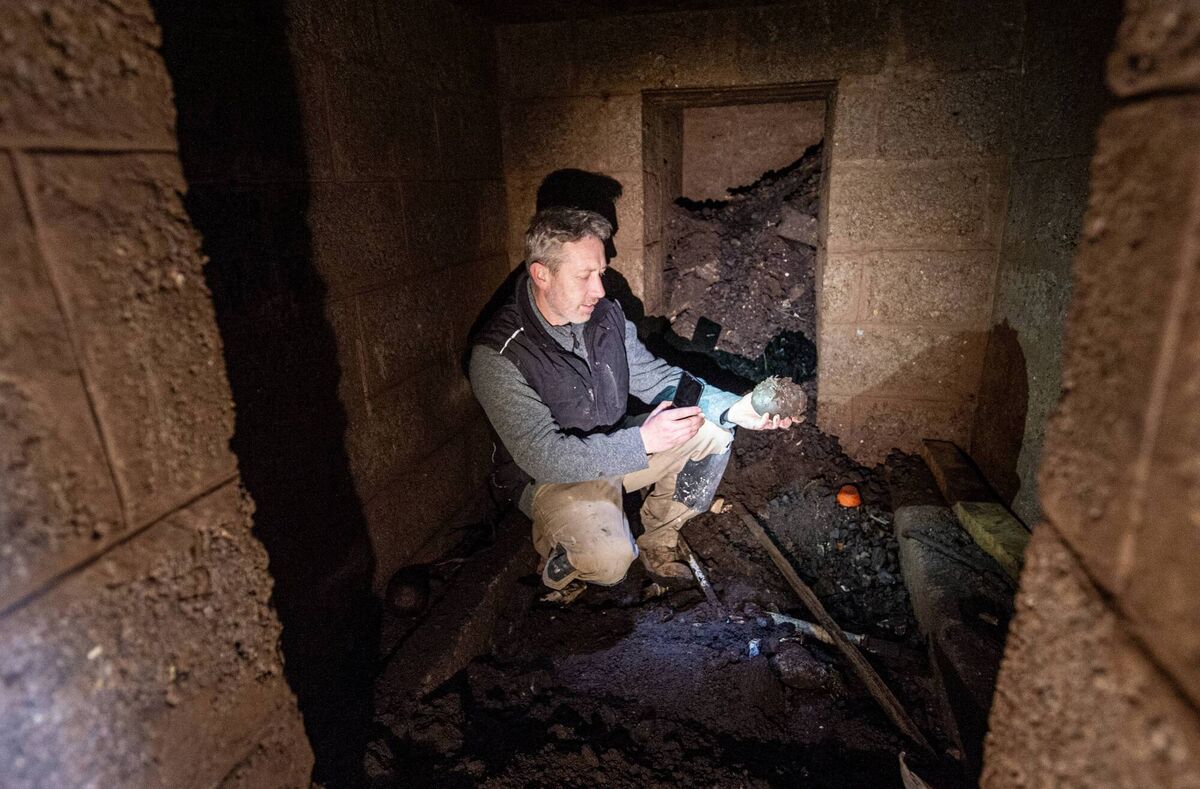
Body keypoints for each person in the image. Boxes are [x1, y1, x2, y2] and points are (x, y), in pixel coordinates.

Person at [469, 207, 793, 602]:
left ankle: (660, 537)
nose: (600, 289)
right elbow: (543, 457)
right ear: (542, 274)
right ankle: (562, 555)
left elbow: (655, 376)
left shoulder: (605, 316)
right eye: (584, 276)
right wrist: (642, 442)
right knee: (611, 561)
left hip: (615, 449)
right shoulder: (497, 355)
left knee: (710, 431)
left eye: (601, 272)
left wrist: (730, 408)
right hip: (550, 479)